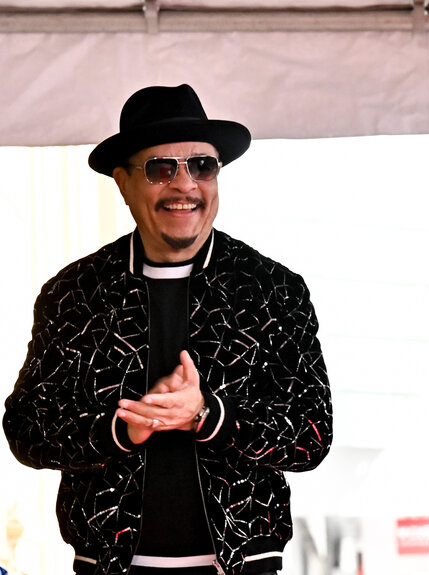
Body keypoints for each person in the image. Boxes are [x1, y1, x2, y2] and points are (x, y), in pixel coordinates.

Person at [4, 84, 333, 575]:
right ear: (123, 183)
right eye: (161, 168)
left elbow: (311, 435)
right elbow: (27, 429)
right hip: (109, 566)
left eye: (202, 165)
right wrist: (120, 429)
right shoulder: (74, 293)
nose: (185, 185)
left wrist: (207, 416)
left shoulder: (271, 289)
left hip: (243, 566)